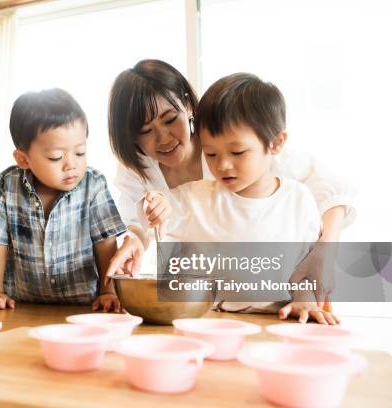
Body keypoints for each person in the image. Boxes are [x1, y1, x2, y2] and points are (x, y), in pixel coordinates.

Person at [106, 60, 355, 305]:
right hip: (203, 299)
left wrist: (324, 252)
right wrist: (136, 240)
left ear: (188, 106)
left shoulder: (243, 144)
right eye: (146, 130)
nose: (163, 138)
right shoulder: (137, 170)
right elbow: (142, 220)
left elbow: (331, 190)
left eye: (170, 119)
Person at [0, 89, 126, 312]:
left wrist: (108, 292)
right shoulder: (7, 185)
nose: (71, 165)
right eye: (56, 157)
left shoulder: (94, 185)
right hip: (22, 306)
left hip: (84, 306)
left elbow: (105, 243)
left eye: (80, 153)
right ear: (23, 159)